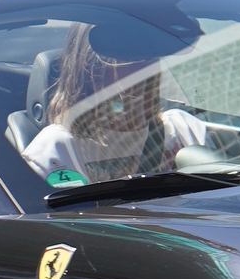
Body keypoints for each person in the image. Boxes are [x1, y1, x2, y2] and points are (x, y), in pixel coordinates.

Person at [15, 23, 212, 188]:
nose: (146, 72)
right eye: (126, 60)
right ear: (90, 72)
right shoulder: (56, 152)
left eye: (150, 56)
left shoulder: (184, 129)